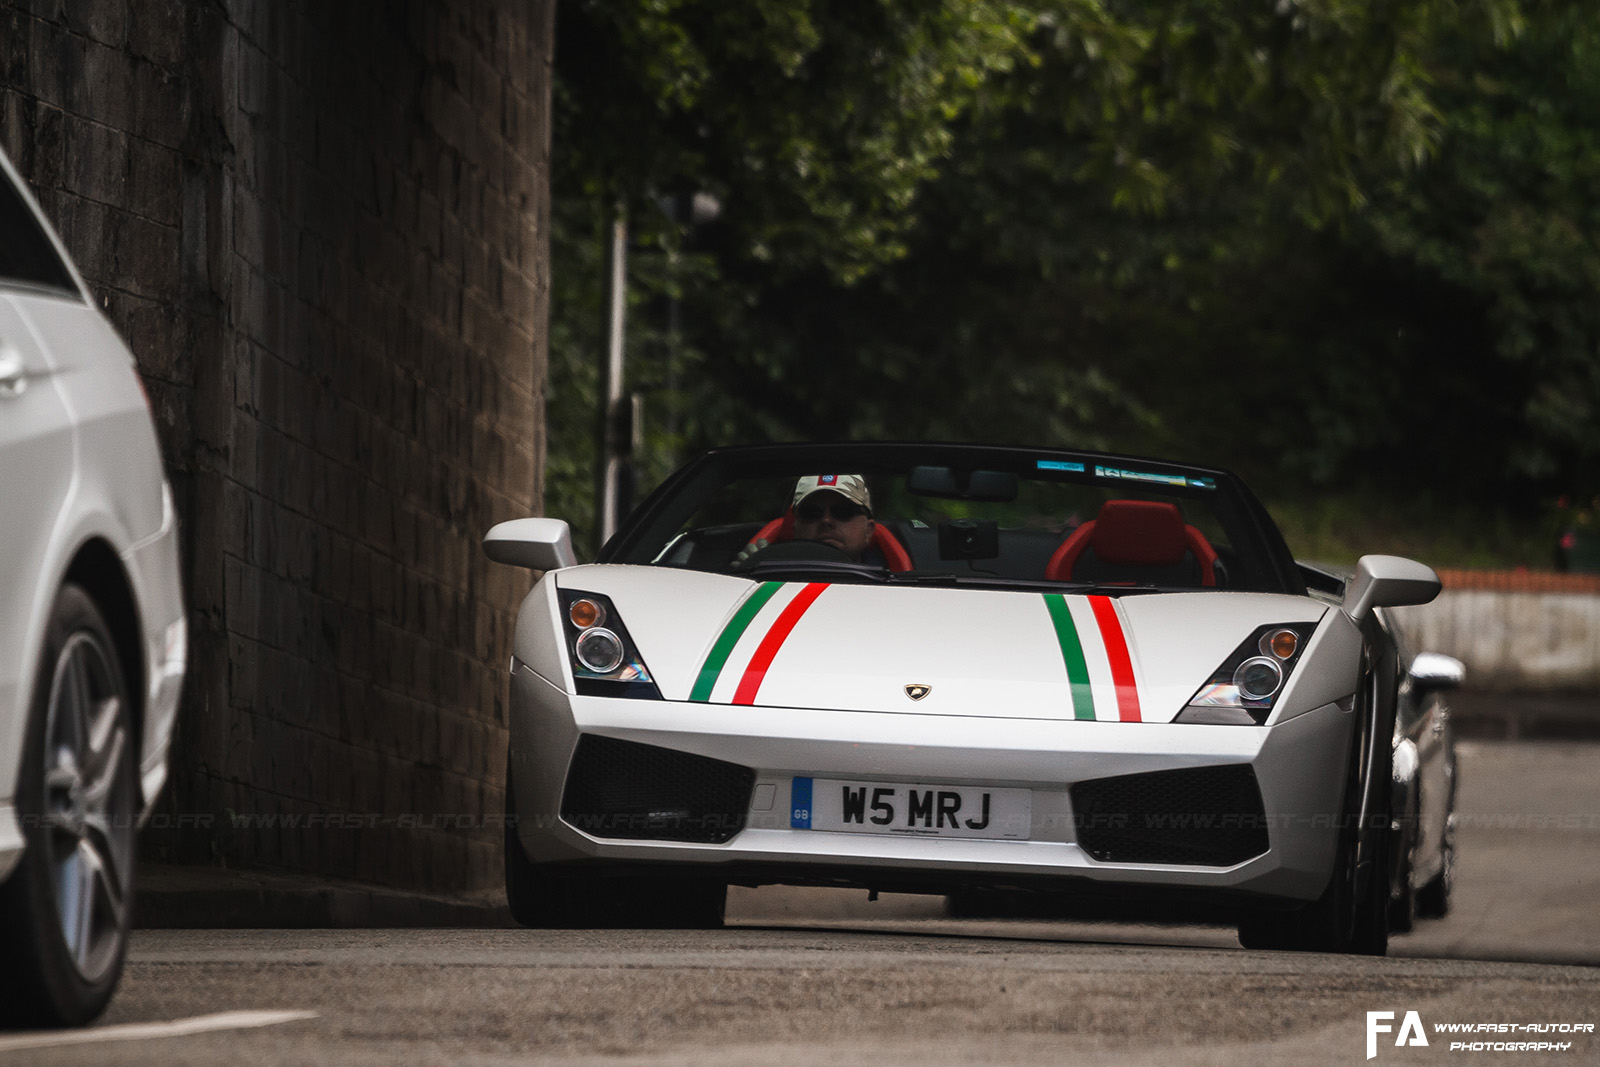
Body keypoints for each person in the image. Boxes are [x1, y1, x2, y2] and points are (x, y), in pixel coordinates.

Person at [735, 473, 877, 564]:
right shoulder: (770, 572)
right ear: (795, 529)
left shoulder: (893, 584)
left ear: (868, 531)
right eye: (812, 512)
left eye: (843, 511)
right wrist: (751, 570)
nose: (826, 521)